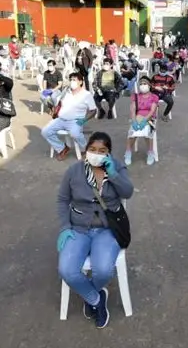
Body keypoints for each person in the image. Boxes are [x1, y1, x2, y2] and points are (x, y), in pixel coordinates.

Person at [57, 132, 134, 329]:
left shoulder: (115, 166)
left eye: (102, 151)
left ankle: (91, 293)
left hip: (108, 229)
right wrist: (65, 227)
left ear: (108, 153)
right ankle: (96, 299)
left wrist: (114, 175)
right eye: (92, 149)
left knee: (103, 271)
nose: (96, 154)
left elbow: (128, 192)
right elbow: (62, 200)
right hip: (79, 228)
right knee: (66, 270)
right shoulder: (74, 171)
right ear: (85, 150)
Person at [44, 71, 97, 161]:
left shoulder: (86, 95)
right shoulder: (66, 92)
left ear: (80, 82)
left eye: (74, 80)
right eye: (71, 79)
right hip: (61, 119)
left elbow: (93, 110)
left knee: (75, 133)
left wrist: (83, 120)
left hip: (75, 120)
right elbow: (58, 102)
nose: (72, 82)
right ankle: (62, 148)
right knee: (45, 131)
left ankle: (85, 148)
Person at [124, 76, 159, 166]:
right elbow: (132, 109)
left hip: (149, 118)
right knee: (132, 132)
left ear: (149, 85)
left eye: (145, 84)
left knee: (148, 132)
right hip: (137, 117)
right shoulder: (135, 96)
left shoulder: (154, 97)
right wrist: (134, 120)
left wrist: (144, 121)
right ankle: (128, 152)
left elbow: (152, 111)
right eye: (141, 84)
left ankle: (150, 153)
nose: (142, 86)